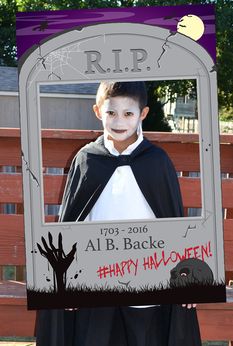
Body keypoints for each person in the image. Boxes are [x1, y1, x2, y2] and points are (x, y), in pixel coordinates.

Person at [36, 81, 201, 346]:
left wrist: (190, 275)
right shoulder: (86, 159)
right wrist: (63, 286)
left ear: (142, 114)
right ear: (98, 112)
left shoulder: (157, 161)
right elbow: (71, 223)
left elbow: (175, 222)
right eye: (111, 112)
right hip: (95, 284)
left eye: (128, 113)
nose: (119, 120)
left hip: (147, 282)